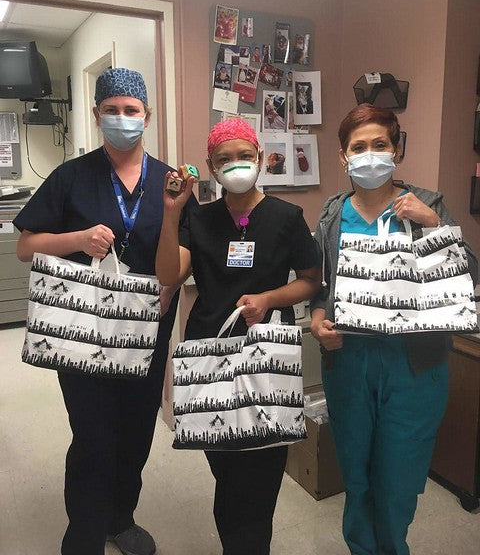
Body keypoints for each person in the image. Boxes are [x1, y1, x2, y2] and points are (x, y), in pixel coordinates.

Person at [14, 68, 195, 555]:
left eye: (131, 110)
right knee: (94, 436)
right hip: (84, 329)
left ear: (147, 117)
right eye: (111, 110)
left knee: (136, 433)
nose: (122, 119)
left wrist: (172, 272)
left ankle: (120, 518)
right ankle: (85, 532)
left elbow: (185, 253)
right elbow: (25, 246)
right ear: (96, 115)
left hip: (146, 333)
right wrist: (77, 238)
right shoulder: (71, 176)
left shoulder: (171, 181)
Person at [309, 103, 478, 555]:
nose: (369, 155)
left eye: (379, 145)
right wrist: (316, 318)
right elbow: (319, 286)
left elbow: (469, 278)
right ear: (343, 158)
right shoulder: (331, 215)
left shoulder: (428, 203)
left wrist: (434, 225)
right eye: (358, 147)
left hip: (415, 367)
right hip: (348, 363)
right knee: (357, 473)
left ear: (397, 149)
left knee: (399, 479)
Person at [156, 117, 321, 555]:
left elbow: (310, 280)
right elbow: (169, 273)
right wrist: (172, 214)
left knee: (262, 465)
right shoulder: (201, 218)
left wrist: (269, 297)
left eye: (244, 156)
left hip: (265, 353)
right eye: (224, 159)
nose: (236, 165)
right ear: (211, 167)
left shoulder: (287, 218)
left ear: (261, 160)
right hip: (209, 355)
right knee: (226, 467)